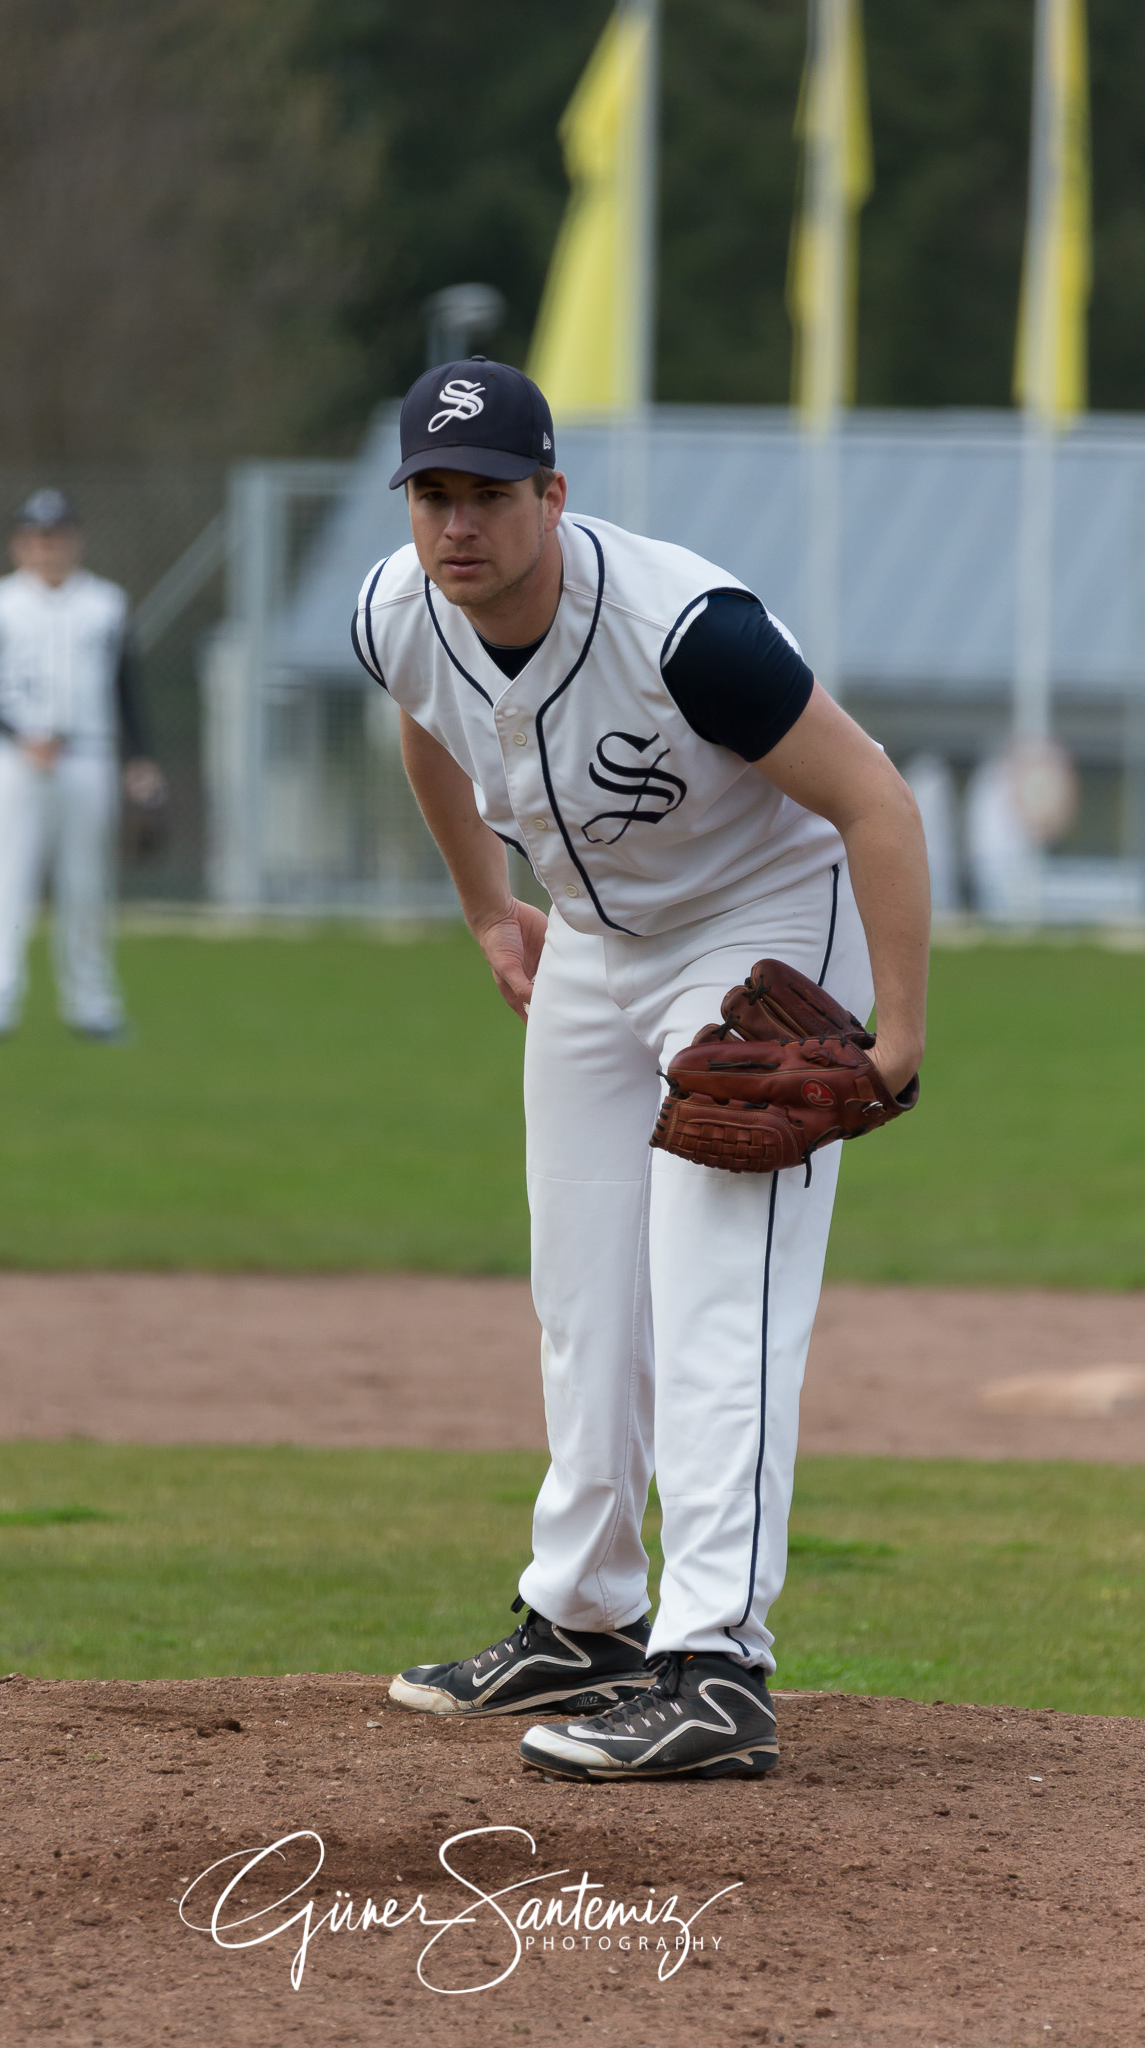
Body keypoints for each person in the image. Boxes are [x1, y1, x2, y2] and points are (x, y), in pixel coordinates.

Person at [352, 359, 929, 1782]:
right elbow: (428, 725)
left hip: (763, 924)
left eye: (489, 492)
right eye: (434, 491)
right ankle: (586, 1613)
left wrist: (897, 1033)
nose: (457, 522)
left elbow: (874, 800)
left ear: (553, 496)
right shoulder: (396, 607)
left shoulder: (688, 635)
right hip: (599, 942)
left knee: (715, 1294)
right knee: (585, 1289)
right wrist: (489, 906)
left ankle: (717, 1667)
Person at [0, 489, 165, 1043]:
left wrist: (140, 758)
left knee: (87, 884)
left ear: (75, 540)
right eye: (37, 537)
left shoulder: (106, 604)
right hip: (13, 758)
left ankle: (92, 1005)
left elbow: (127, 691)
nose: (48, 547)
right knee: (5, 880)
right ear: (20, 544)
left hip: (88, 753)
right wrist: (18, 737)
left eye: (57, 536)